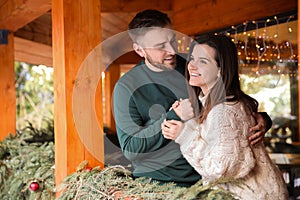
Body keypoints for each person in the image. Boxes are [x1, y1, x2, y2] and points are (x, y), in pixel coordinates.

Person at [113, 9, 271, 187]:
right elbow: (130, 148)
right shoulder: (126, 87)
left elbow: (228, 97)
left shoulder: (192, 65)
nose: (172, 50)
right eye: (160, 46)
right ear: (139, 50)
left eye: (172, 40)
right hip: (158, 184)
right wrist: (173, 116)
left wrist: (261, 119)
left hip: (208, 180)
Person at [161, 34, 288, 199]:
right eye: (192, 59)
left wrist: (184, 135)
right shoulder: (214, 105)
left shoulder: (223, 110)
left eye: (203, 61)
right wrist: (189, 122)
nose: (192, 66)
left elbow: (220, 168)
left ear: (220, 70)